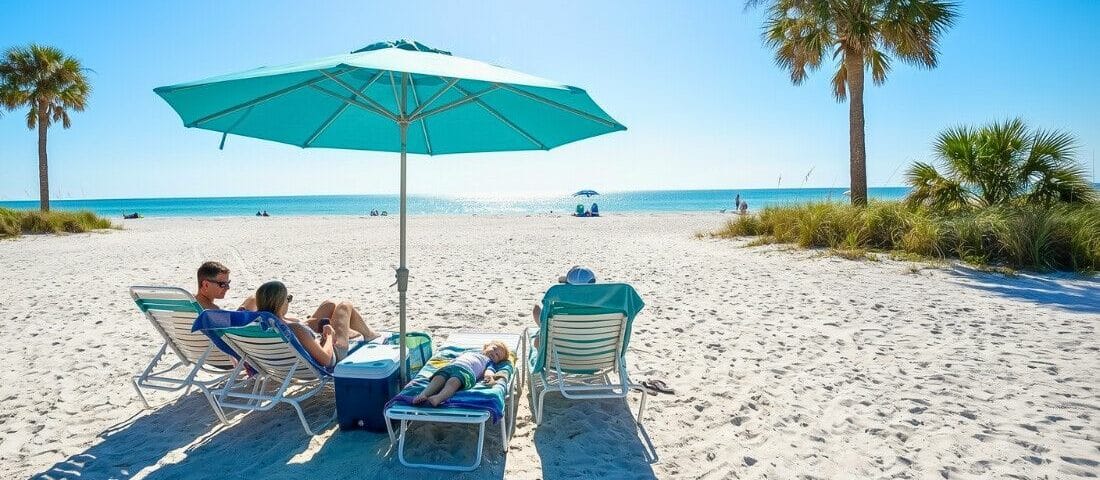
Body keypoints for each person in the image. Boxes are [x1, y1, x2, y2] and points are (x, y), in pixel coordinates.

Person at [254, 280, 380, 368]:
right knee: (344, 306)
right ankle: (369, 335)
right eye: (288, 298)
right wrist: (330, 335)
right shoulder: (296, 329)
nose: (289, 302)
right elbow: (325, 359)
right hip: (333, 355)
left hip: (283, 362)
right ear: (280, 303)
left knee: (330, 305)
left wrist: (304, 324)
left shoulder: (258, 324)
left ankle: (351, 331)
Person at [412, 340, 510, 406]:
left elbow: (489, 372)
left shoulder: (490, 362)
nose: (494, 353)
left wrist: (489, 378)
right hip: (452, 366)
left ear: (498, 361)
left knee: (453, 381)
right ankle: (423, 394)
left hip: (467, 372)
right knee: (438, 378)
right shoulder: (471, 352)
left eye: (497, 355)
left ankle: (438, 398)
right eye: (494, 349)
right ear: (486, 347)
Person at [531, 266, 596, 348]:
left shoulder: (558, 308)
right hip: (600, 355)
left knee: (537, 312)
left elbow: (541, 334)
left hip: (559, 357)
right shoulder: (606, 308)